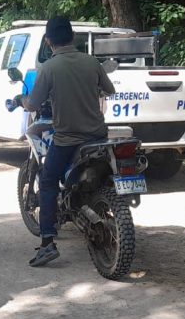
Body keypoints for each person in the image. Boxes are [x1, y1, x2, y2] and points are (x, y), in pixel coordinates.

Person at [19, 16, 115, 267]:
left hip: (67, 140)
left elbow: (33, 104)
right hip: (98, 137)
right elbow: (110, 90)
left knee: (48, 180)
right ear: (72, 37)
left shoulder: (48, 68)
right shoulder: (91, 62)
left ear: (48, 41)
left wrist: (21, 100)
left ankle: (47, 243)